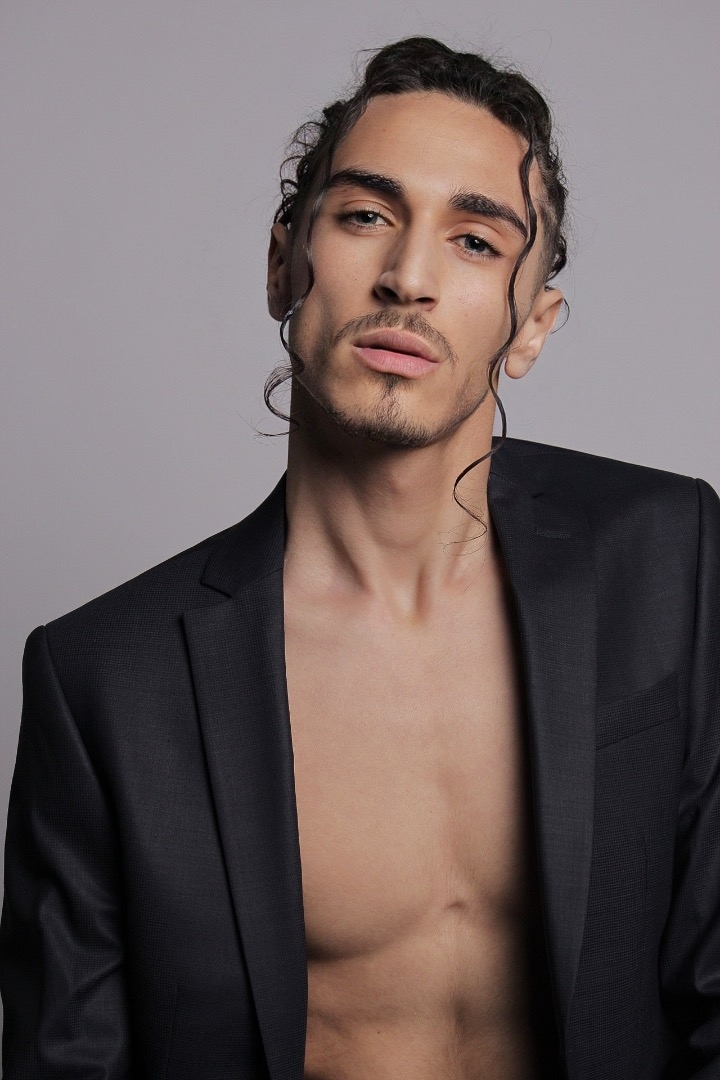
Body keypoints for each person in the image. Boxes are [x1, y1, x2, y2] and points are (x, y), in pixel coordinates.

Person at [1, 34, 718, 1080]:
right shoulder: (105, 680)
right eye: (366, 216)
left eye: (476, 241)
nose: (408, 278)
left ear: (532, 328)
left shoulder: (667, 558)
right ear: (282, 264)